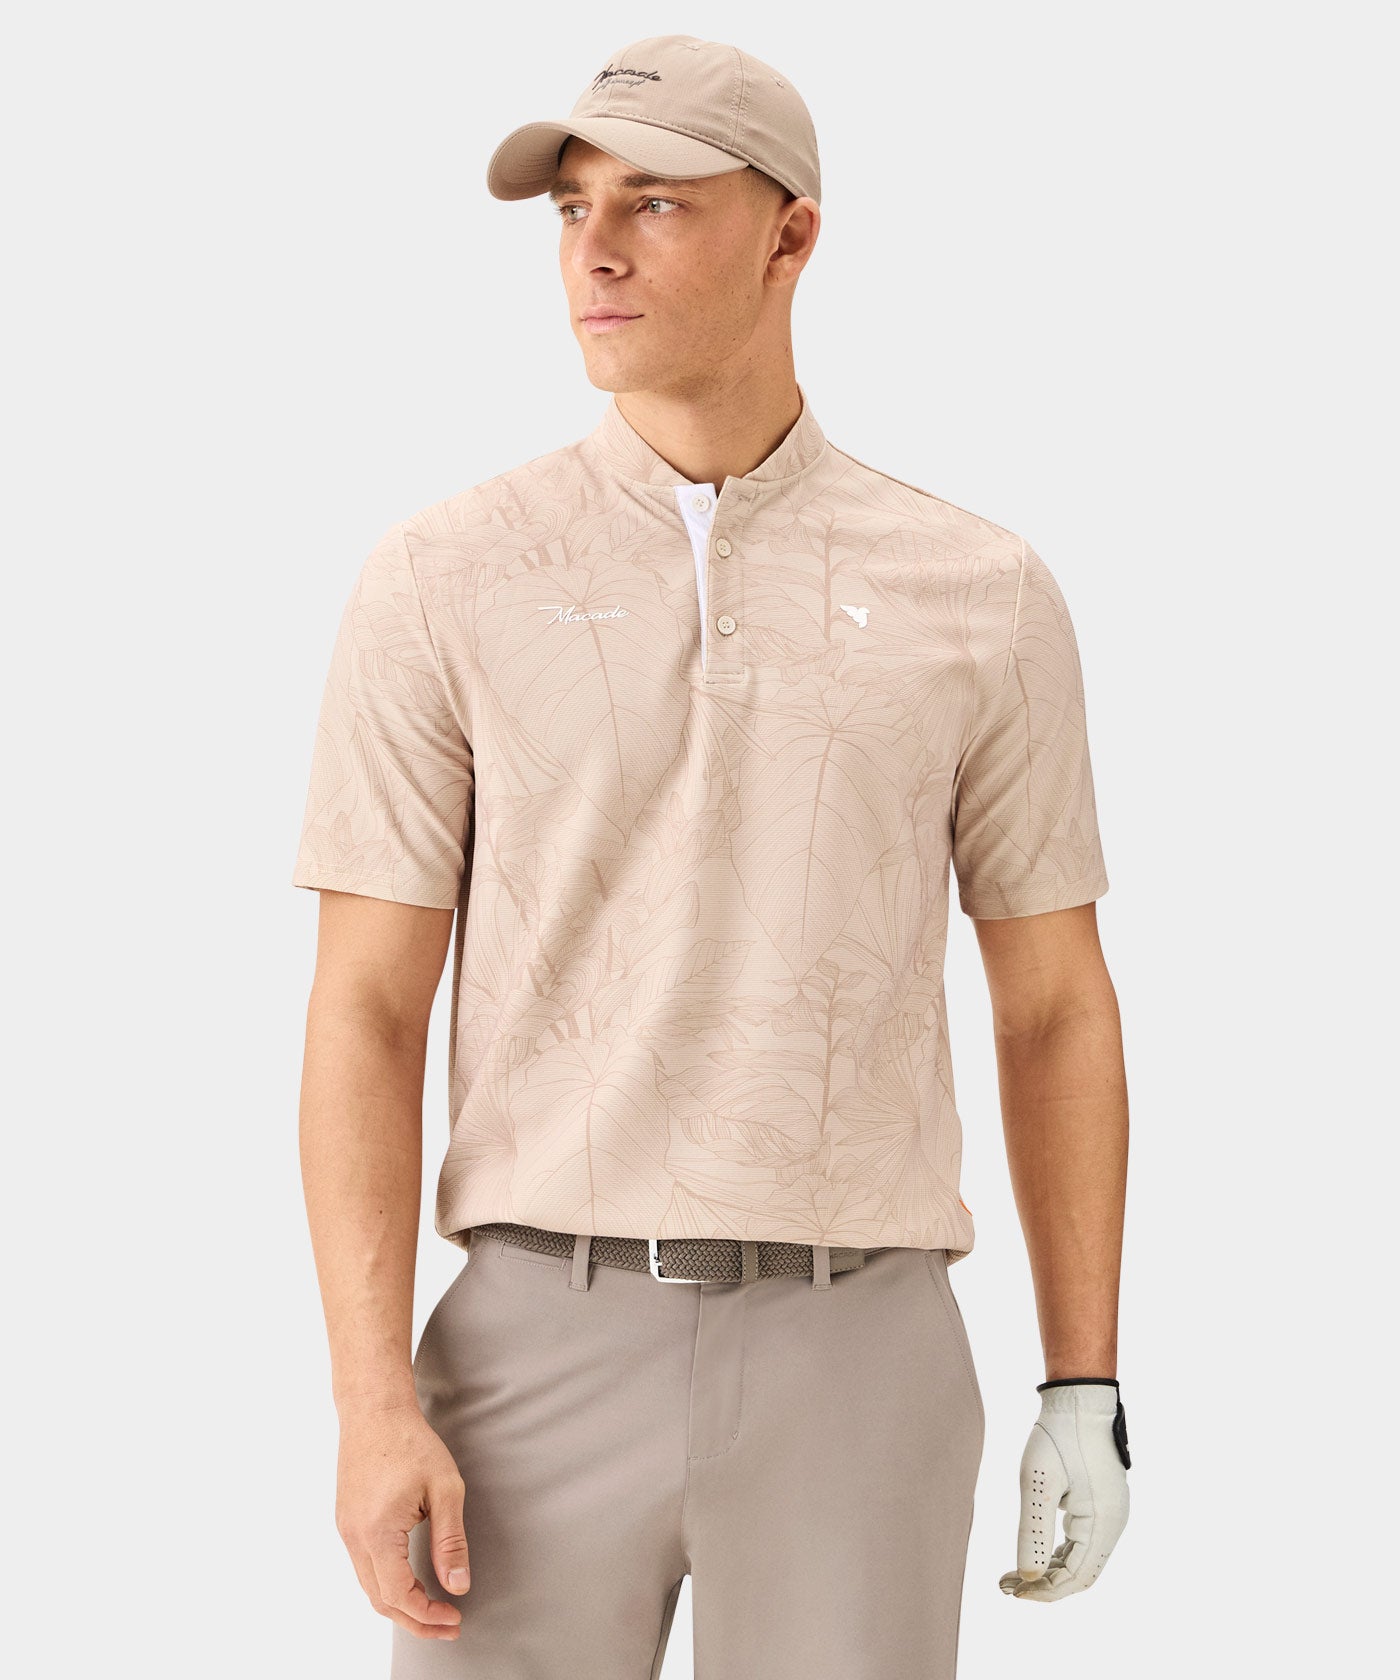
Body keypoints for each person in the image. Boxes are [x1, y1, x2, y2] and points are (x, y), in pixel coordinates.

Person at [292, 32, 1131, 1680]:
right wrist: (370, 1398)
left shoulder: (981, 592)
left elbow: (1055, 1004)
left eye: (658, 203)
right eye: (574, 208)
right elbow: (366, 1011)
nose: (595, 250)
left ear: (791, 234)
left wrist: (1084, 1383)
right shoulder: (445, 577)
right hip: (529, 1346)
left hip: (857, 1347)